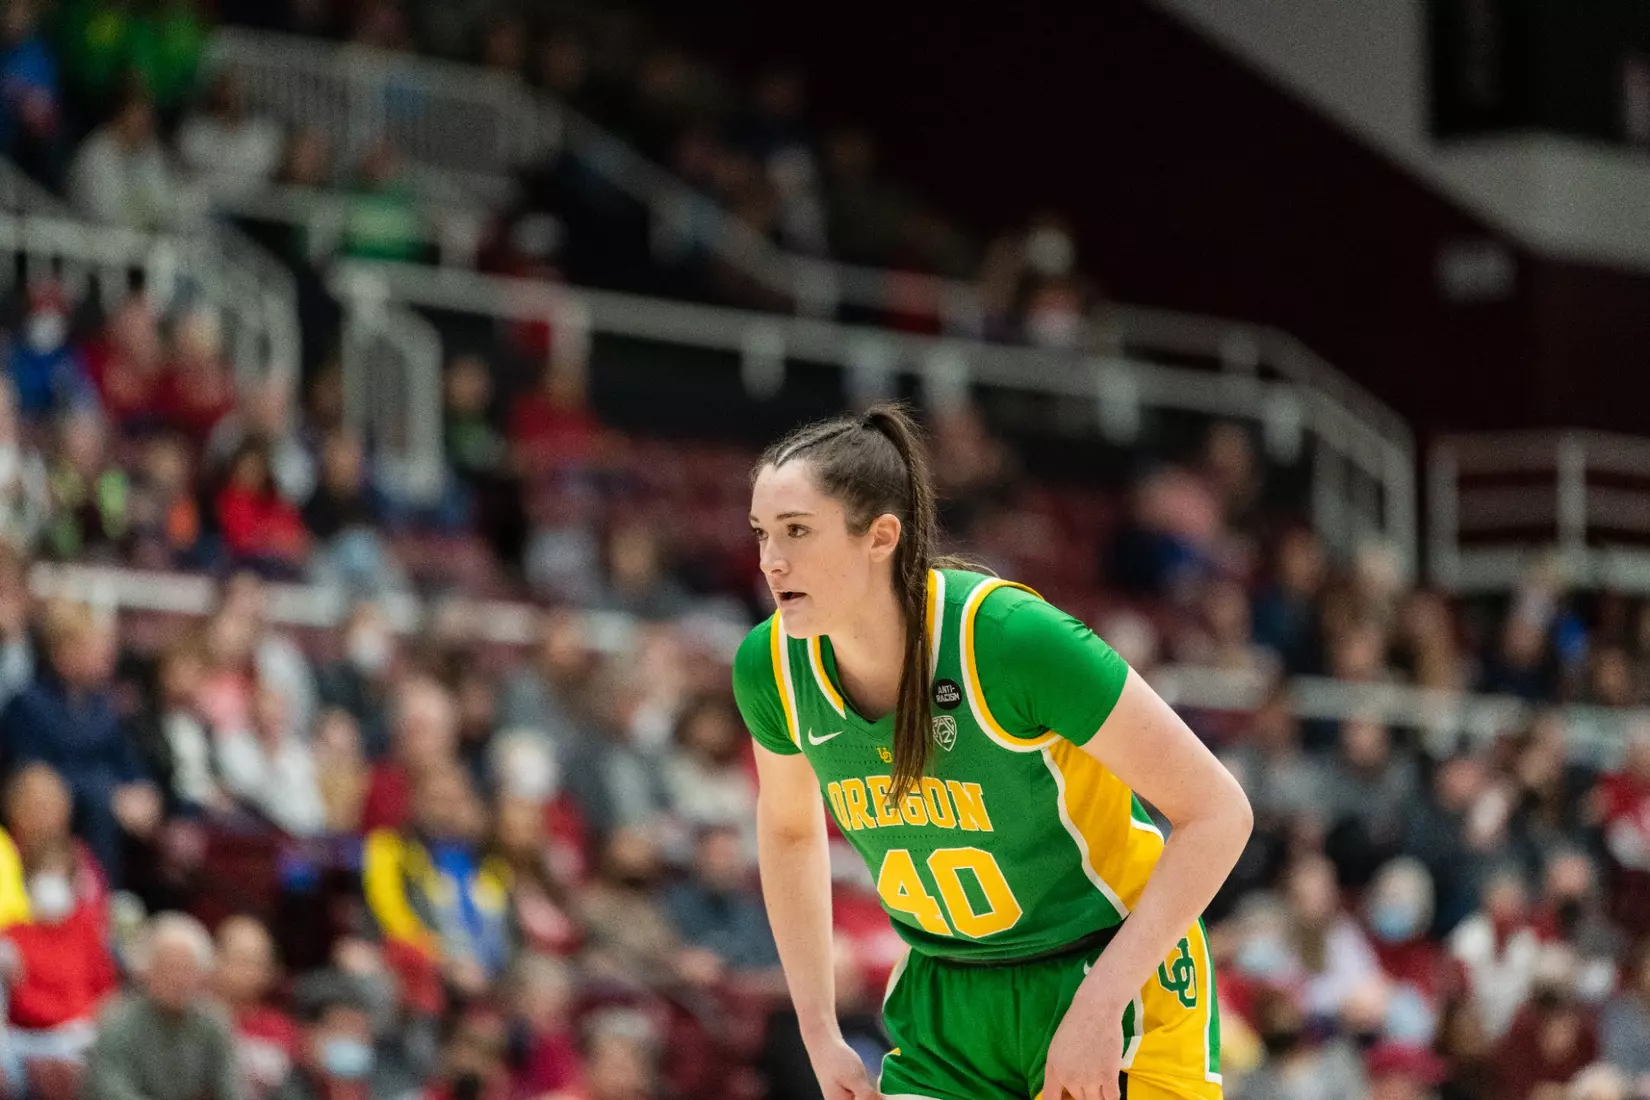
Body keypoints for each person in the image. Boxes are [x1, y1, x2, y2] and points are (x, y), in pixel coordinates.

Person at [734, 404, 1252, 1100]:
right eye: (763, 533)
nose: (772, 559)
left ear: (880, 536)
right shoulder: (771, 668)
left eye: (797, 532)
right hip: (948, 998)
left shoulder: (1010, 640)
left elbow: (1219, 813)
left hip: (1107, 968)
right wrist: (819, 1029)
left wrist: (1100, 1006)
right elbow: (791, 831)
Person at [83, 913, 245, 1100]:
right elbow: (110, 1091)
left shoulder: (213, 1023)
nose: (177, 979)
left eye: (187, 969)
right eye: (168, 967)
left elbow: (231, 1089)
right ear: (145, 971)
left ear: (202, 975)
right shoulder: (118, 1021)